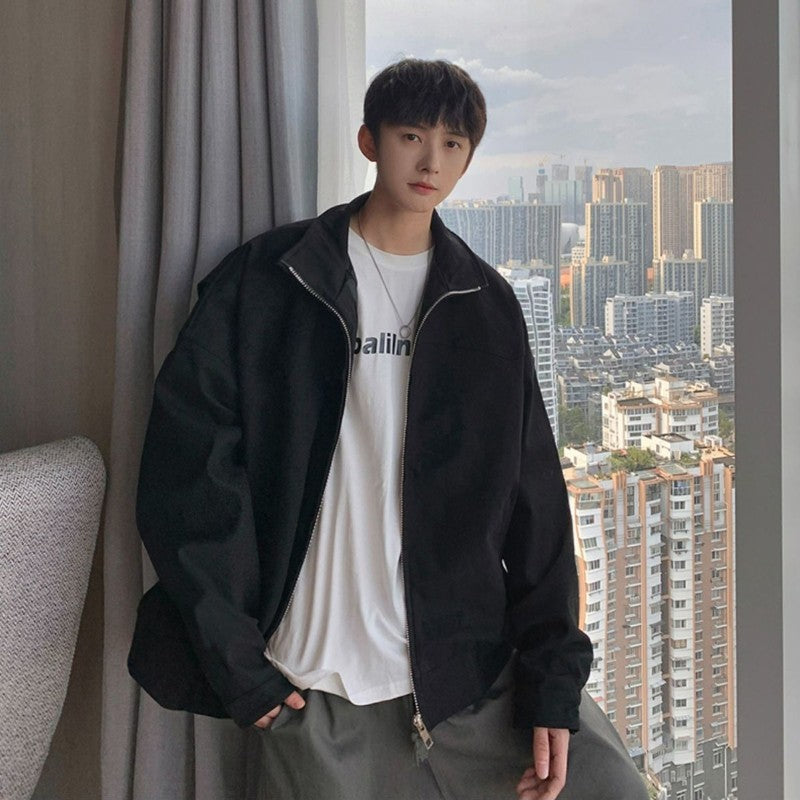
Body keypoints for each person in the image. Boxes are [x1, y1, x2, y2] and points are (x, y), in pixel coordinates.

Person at [129, 58, 648, 800]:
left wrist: (553, 685)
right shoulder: (270, 280)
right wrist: (240, 668)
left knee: (615, 788)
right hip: (313, 692)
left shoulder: (485, 304)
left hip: (467, 681)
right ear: (370, 141)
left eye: (453, 144)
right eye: (411, 136)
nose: (431, 161)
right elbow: (187, 476)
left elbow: (534, 503)